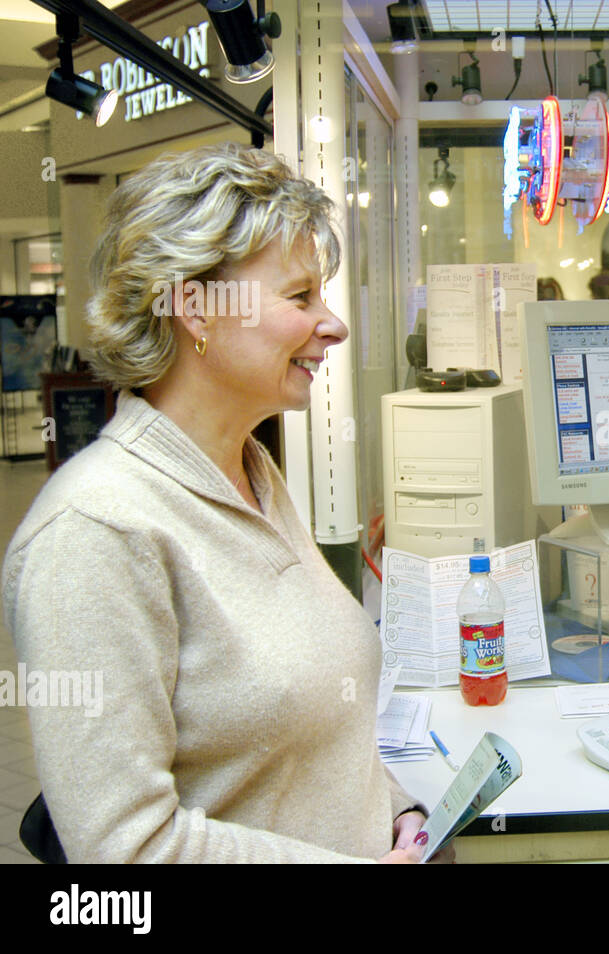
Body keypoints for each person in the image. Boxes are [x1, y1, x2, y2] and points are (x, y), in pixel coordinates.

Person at [2, 143, 444, 863]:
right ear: (195, 309)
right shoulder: (93, 532)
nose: (331, 324)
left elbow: (302, 741)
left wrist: (397, 810)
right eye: (300, 297)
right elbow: (126, 849)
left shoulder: (254, 472)